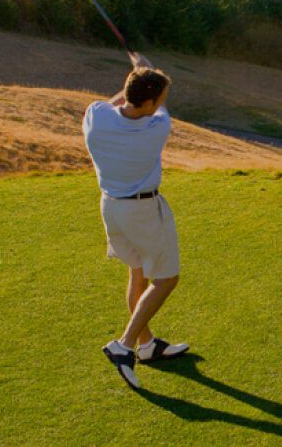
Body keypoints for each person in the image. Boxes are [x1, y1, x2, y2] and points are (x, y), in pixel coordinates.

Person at [83, 53, 190, 391]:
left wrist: (136, 74)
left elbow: (119, 102)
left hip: (111, 208)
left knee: (138, 272)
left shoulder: (96, 117)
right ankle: (125, 345)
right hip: (143, 212)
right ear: (148, 103)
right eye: (158, 100)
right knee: (166, 279)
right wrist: (142, 68)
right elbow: (145, 106)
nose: (161, 105)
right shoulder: (157, 127)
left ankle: (147, 345)